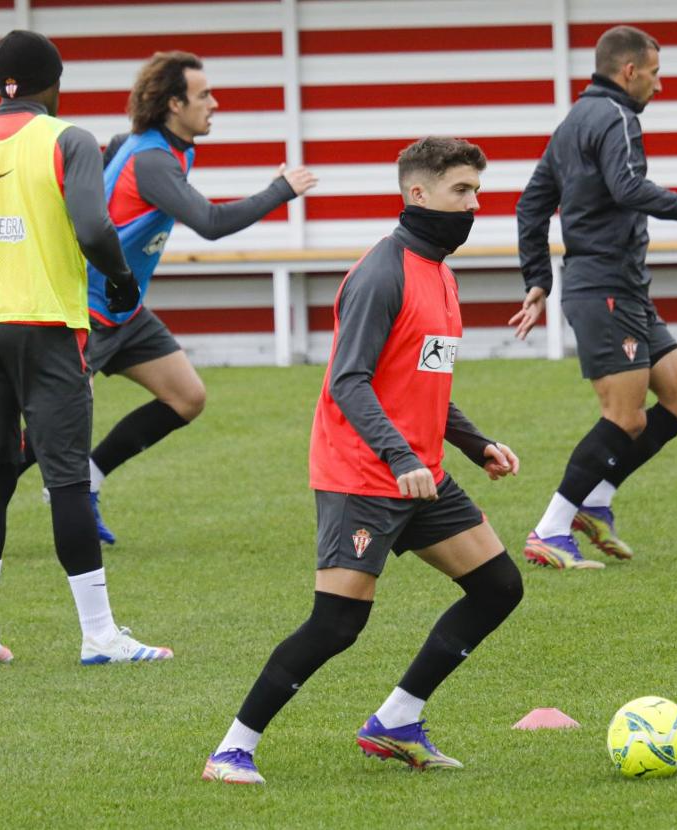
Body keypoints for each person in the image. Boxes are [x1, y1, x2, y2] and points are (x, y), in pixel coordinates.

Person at [202, 137, 523, 785]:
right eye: (462, 191)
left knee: (497, 586)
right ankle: (231, 751)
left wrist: (474, 443)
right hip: (363, 476)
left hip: (419, 472)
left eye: (476, 191)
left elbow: (420, 381)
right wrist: (401, 454)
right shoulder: (382, 273)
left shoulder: (440, 271)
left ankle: (397, 721)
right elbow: (350, 381)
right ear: (418, 194)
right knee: (338, 623)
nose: (475, 204)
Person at [0, 50, 318, 559]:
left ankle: (88, 475)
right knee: (43, 432)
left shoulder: (148, 147)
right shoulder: (152, 159)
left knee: (186, 396)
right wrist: (280, 190)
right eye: (203, 96)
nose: (214, 104)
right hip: (85, 310)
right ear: (174, 104)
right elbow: (211, 223)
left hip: (123, 307)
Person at [0, 30, 171, 666]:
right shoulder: (69, 139)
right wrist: (117, 276)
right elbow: (92, 225)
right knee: (66, 481)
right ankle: (100, 636)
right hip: (49, 331)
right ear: (56, 80)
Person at [512, 25, 677, 570]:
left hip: (622, 287)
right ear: (629, 71)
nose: (659, 84)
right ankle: (551, 527)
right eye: (654, 73)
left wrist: (537, 278)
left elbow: (530, 205)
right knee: (625, 417)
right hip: (604, 288)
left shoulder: (572, 122)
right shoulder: (617, 118)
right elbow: (629, 189)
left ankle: (597, 501)